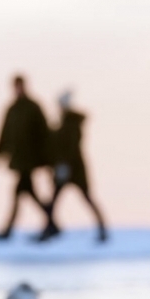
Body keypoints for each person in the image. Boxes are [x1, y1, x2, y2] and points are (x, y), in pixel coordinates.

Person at [42, 91, 109, 243]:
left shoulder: (71, 123)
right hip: (64, 167)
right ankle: (49, 229)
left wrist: (64, 165)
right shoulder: (63, 122)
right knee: (54, 201)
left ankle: (102, 230)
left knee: (85, 198)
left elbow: (71, 147)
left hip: (74, 169)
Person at [0, 75, 52, 240]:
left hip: (30, 160)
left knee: (19, 193)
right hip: (19, 160)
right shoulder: (12, 110)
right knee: (28, 193)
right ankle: (52, 223)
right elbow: (4, 134)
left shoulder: (33, 108)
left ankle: (8, 230)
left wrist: (47, 158)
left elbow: (44, 133)